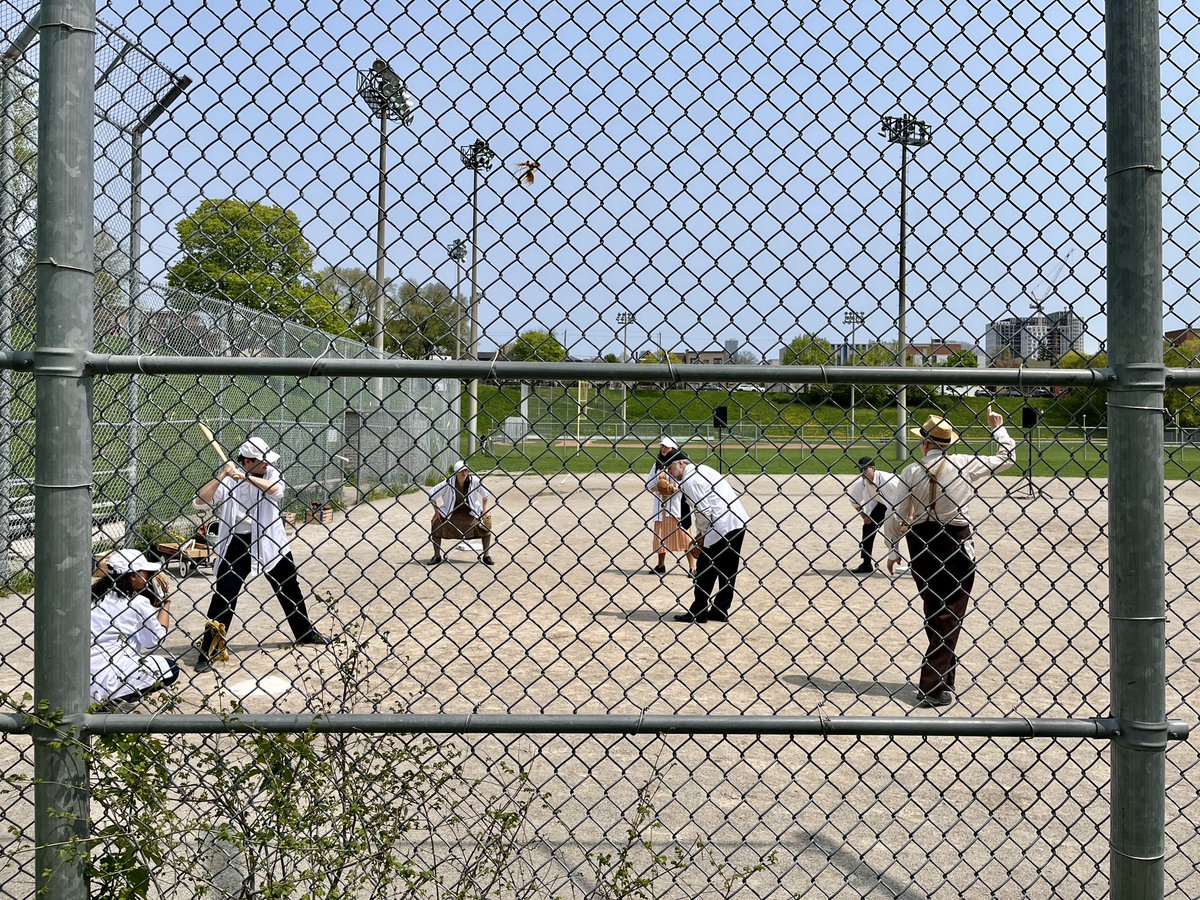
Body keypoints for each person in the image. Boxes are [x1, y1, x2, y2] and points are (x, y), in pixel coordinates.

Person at [885, 406, 1016, 708]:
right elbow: (1007, 457)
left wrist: (892, 547)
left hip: (920, 542)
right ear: (947, 443)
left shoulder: (911, 471)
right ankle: (932, 686)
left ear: (925, 444)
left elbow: (897, 514)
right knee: (951, 611)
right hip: (955, 540)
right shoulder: (963, 463)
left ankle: (944, 678)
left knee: (934, 609)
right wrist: (998, 429)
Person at [192, 437, 328, 673]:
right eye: (260, 460)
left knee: (289, 587)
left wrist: (245, 477)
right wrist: (223, 475)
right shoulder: (229, 480)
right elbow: (199, 502)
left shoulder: (271, 474)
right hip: (236, 544)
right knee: (225, 594)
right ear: (247, 460)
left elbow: (276, 491)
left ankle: (305, 633)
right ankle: (209, 649)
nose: (266, 464)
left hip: (269, 542)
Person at [665, 453, 749, 623]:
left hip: (721, 525)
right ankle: (720, 610)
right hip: (737, 521)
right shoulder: (700, 469)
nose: (669, 471)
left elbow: (704, 511)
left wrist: (701, 536)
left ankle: (699, 611)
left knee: (705, 567)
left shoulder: (691, 480)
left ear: (680, 463)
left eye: (670, 467)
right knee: (728, 569)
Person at [90, 548, 181, 706]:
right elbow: (154, 641)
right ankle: (113, 701)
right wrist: (166, 603)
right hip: (110, 674)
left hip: (86, 672)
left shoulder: (94, 595)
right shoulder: (136, 603)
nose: (149, 577)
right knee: (171, 668)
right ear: (133, 575)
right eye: (146, 573)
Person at [426, 460, 495, 566]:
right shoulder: (448, 483)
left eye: (466, 470)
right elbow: (432, 494)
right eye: (461, 471)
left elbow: (485, 495)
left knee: (486, 523)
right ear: (455, 473)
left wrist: (485, 510)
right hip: (451, 512)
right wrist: (436, 512)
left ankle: (486, 556)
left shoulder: (474, 481)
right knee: (436, 523)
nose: (464, 473)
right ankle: (437, 556)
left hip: (471, 512)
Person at [645, 437, 698, 577]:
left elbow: (686, 483)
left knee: (685, 537)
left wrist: (673, 489)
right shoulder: (657, 465)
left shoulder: (680, 463)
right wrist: (660, 487)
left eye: (667, 447)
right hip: (660, 509)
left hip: (676, 508)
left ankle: (693, 567)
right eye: (662, 446)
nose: (663, 449)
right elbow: (649, 485)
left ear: (673, 449)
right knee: (660, 538)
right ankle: (661, 565)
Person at [845, 456, 907, 575]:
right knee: (868, 528)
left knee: (909, 530)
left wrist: (909, 515)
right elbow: (854, 501)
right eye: (860, 469)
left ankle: (914, 562)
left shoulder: (888, 479)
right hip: (882, 504)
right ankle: (866, 563)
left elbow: (907, 493)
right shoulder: (861, 483)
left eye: (864, 469)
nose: (862, 472)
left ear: (873, 468)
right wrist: (864, 516)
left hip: (901, 505)